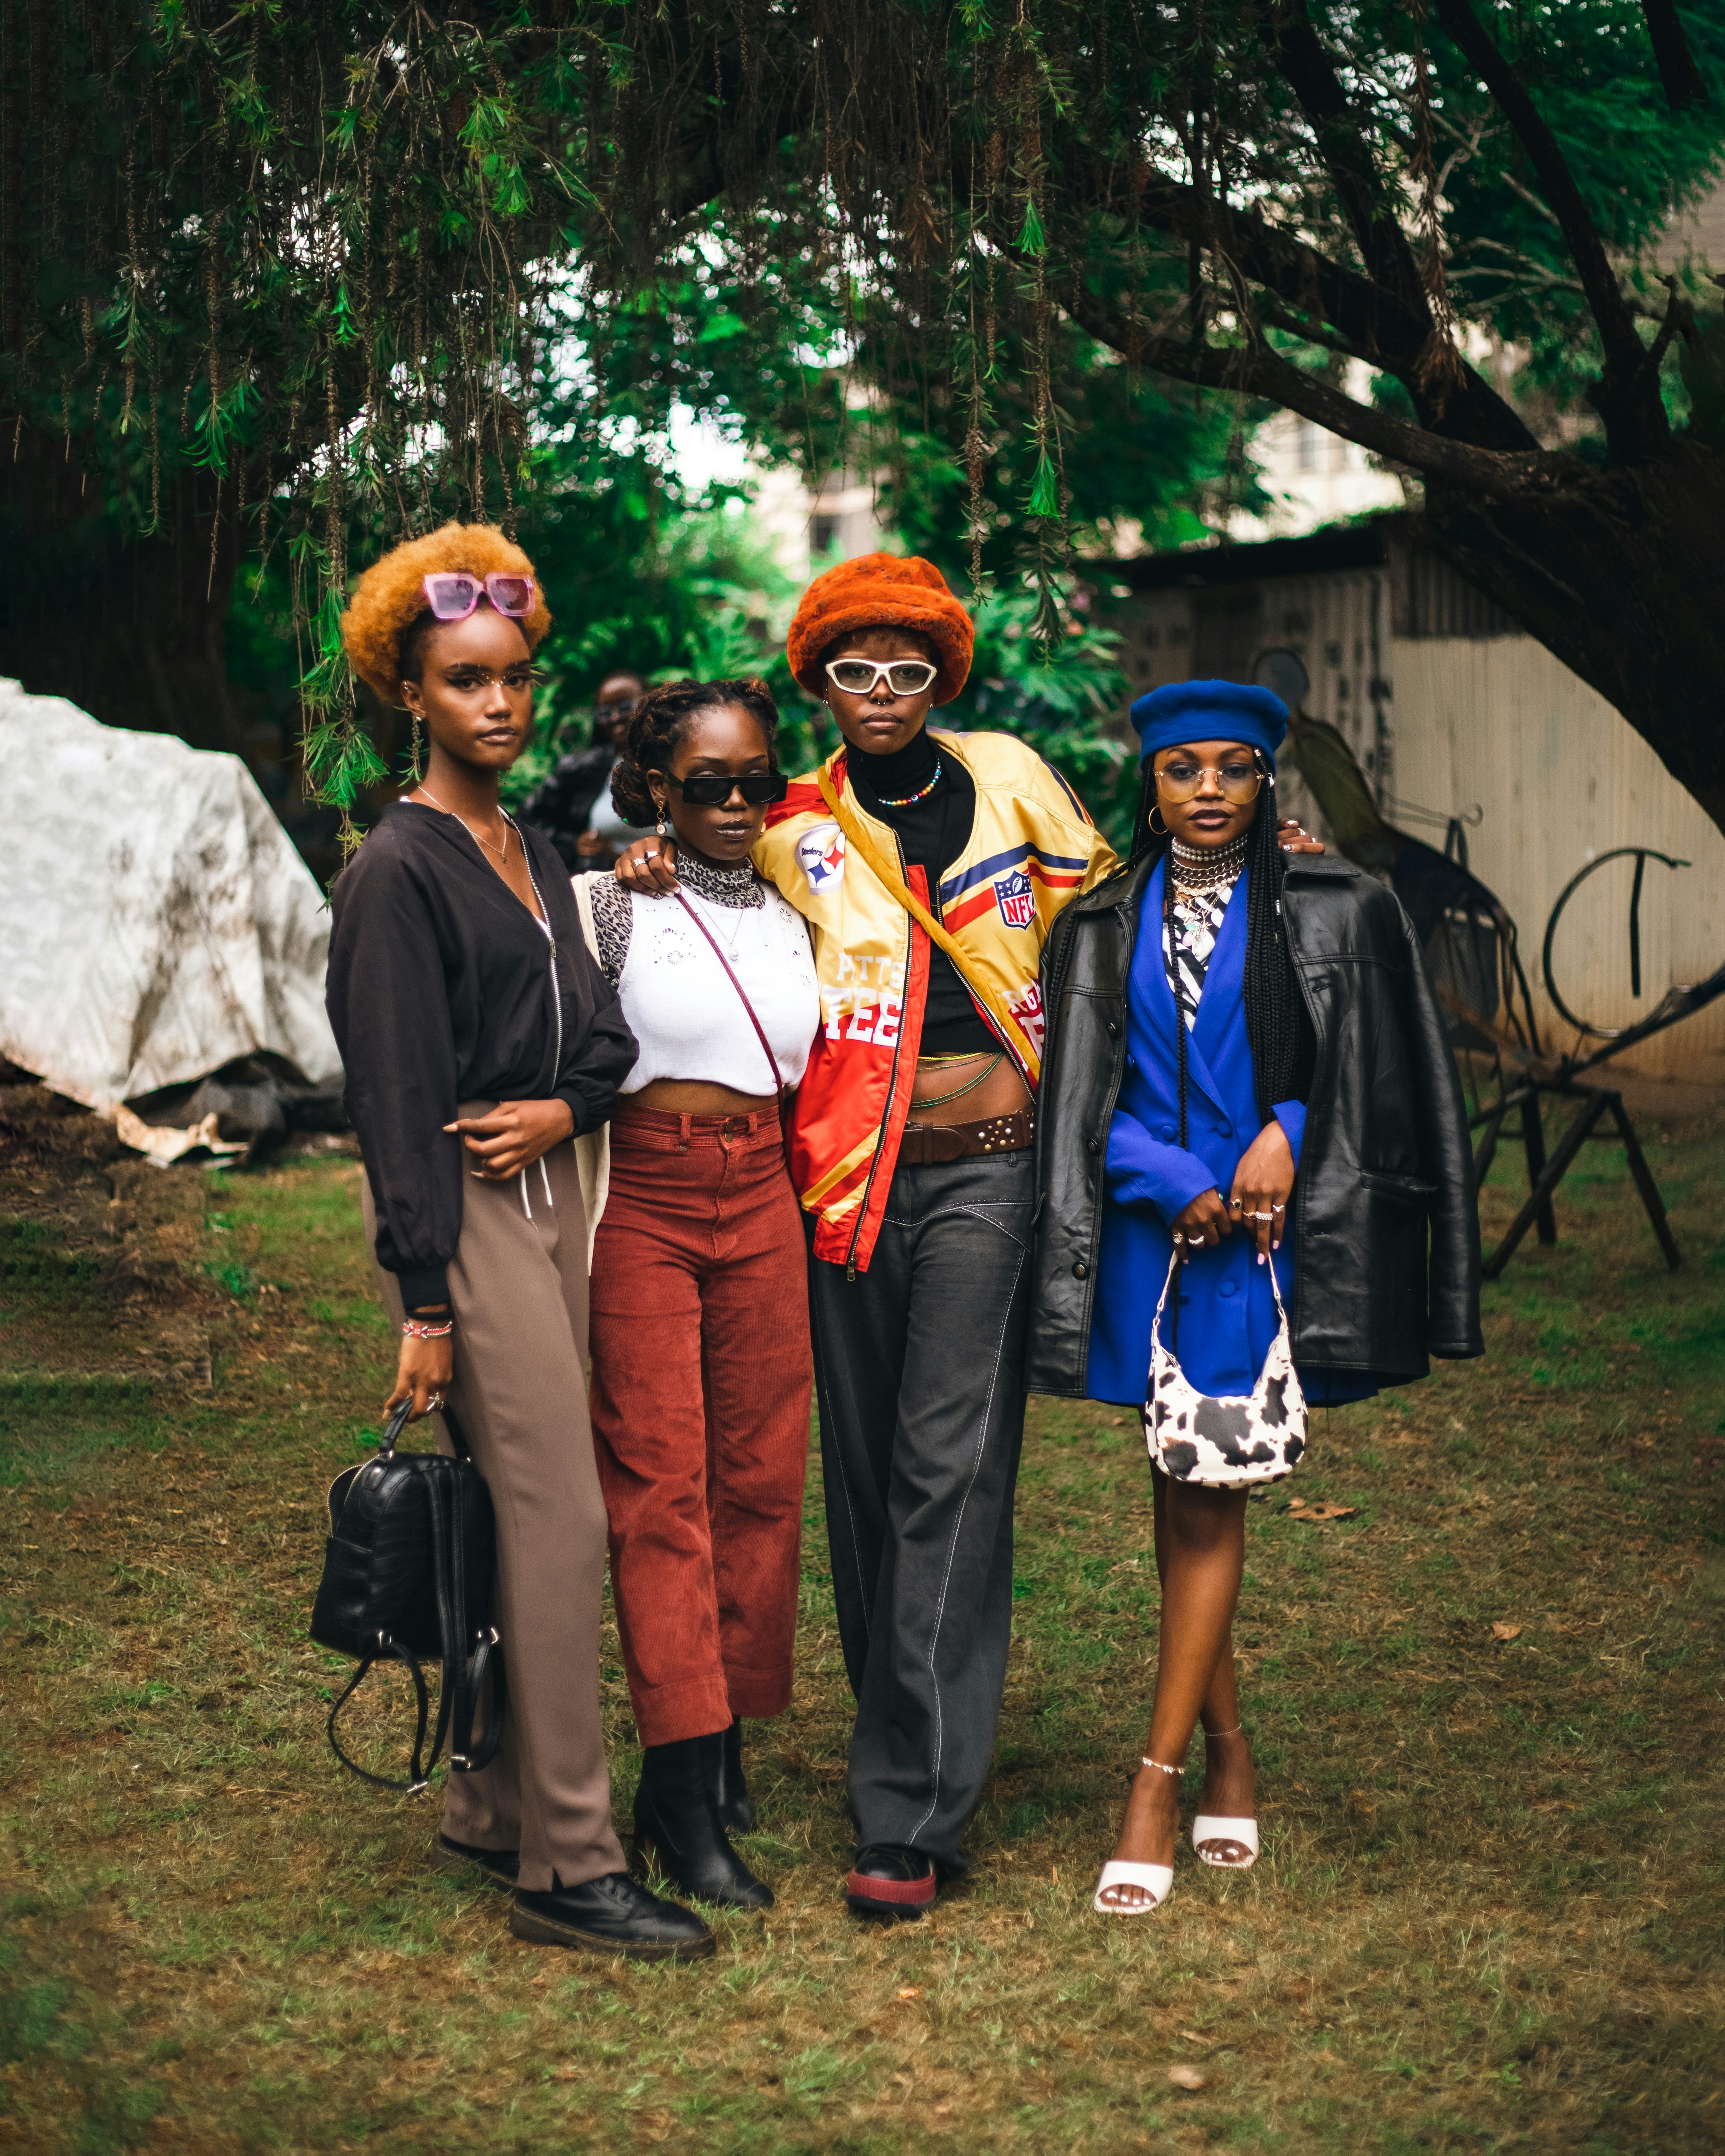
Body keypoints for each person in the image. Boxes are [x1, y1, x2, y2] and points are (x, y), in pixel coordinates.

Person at [616, 556, 1321, 1922]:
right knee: (869, 1481)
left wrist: (1270, 867)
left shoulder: (1009, 779)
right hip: (839, 1179)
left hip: (995, 1171)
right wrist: (643, 855)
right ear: (820, 684)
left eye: (911, 672)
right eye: (854, 675)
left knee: (952, 1469)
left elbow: (1117, 917)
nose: (884, 697)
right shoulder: (789, 818)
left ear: (947, 678)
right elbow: (703, 897)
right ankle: (905, 1729)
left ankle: (911, 1809)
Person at [1025, 679, 1483, 1916]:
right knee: (1180, 1497)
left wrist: (1281, 1129)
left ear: (1264, 779)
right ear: (1152, 782)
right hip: (1148, 1240)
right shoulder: (1098, 922)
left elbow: (1364, 1067)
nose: (1209, 790)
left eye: (1233, 768)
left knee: (1203, 1502)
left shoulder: (1336, 905)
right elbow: (1079, 1090)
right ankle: (1230, 1752)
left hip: (1258, 1242)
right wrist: (1164, 1174)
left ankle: (1155, 1782)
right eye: (1185, 770)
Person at [325, 523, 714, 1963]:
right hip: (468, 1222)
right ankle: (568, 1860)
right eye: (467, 682)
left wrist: (561, 1106)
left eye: (517, 679)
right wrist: (423, 1299)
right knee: (558, 1525)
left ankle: (488, 1815)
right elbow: (396, 1098)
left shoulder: (538, 852)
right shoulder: (397, 870)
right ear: (410, 695)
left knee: (520, 1514)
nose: (500, 705)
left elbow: (607, 1040)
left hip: (558, 1194)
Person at [574, 678, 820, 1913]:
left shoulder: (795, 910)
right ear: (658, 788)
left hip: (766, 1192)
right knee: (660, 1483)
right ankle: (676, 1786)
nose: (735, 803)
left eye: (753, 781)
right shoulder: (609, 904)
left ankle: (722, 1739)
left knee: (763, 1477)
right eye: (707, 783)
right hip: (648, 1203)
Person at [518, 669, 653, 871]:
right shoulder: (581, 768)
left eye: (625, 706)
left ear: (649, 703)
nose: (615, 717)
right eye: (605, 712)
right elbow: (524, 821)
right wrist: (572, 843)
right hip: (603, 886)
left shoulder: (678, 762)